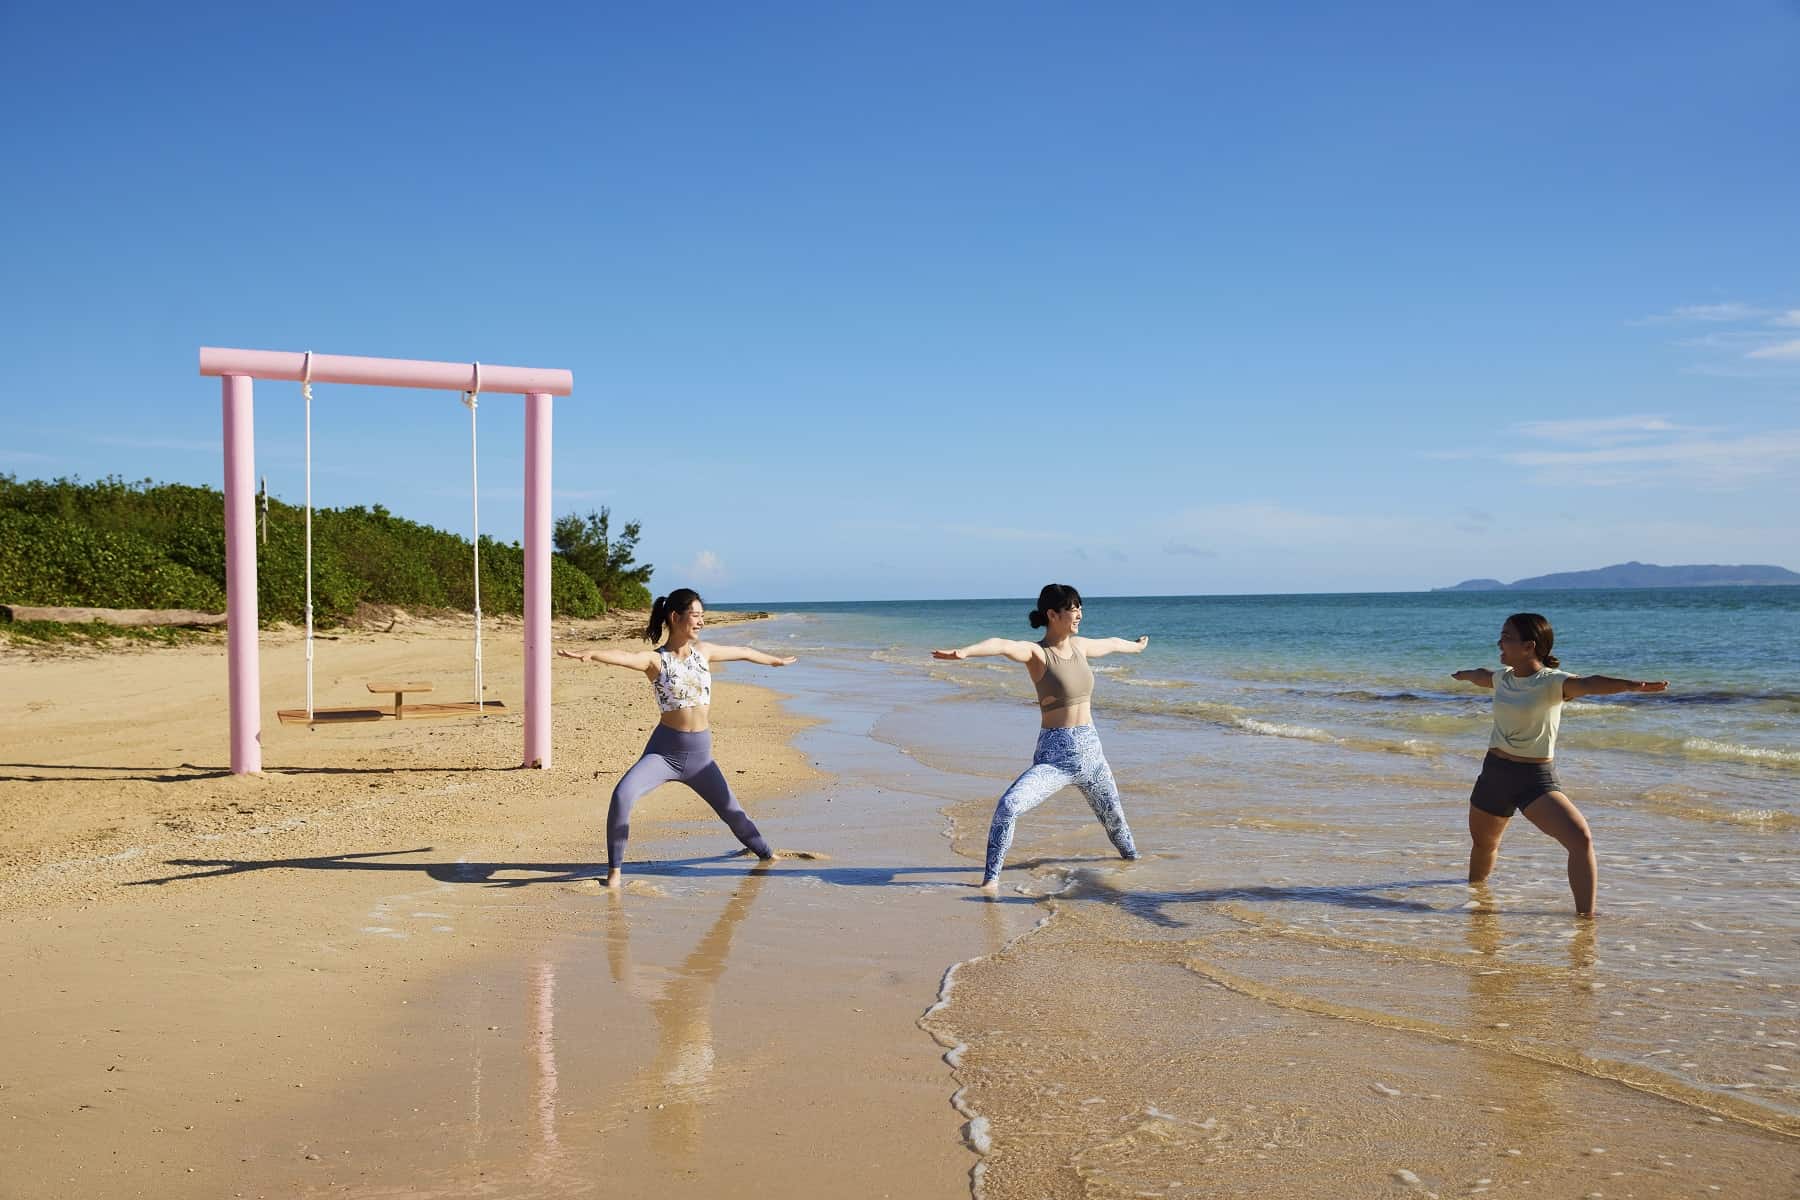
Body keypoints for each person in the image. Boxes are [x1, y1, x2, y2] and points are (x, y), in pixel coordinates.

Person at [558, 588, 796, 887]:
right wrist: (592, 654)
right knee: (622, 796)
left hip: (701, 757)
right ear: (675, 617)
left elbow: (745, 652)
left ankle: (766, 854)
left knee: (733, 812)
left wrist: (775, 661)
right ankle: (615, 872)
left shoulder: (704, 652)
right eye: (695, 616)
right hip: (664, 753)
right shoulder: (657, 661)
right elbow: (624, 657)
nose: (700, 622)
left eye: (702, 616)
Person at [932, 583, 1147, 893]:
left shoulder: (1081, 647)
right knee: (1009, 805)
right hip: (1055, 757)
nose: (1079, 614)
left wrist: (1136, 647)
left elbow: (1112, 643)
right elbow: (1002, 644)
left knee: (1120, 831)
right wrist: (964, 652)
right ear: (1053, 614)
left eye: (1080, 608)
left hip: (1093, 755)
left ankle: (1137, 877)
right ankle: (990, 880)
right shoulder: (1037, 654)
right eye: (1073, 609)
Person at [1451, 611, 1667, 917]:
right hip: (1494, 774)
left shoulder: (1554, 683)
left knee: (1580, 839)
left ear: (1529, 646)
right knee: (1484, 846)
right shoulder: (1502, 678)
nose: (1499, 642)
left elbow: (1591, 684)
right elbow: (1479, 675)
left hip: (1534, 779)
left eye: (1507, 637)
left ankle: (1586, 920)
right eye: (1501, 636)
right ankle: (1474, 905)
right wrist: (1463, 675)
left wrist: (1632, 686)